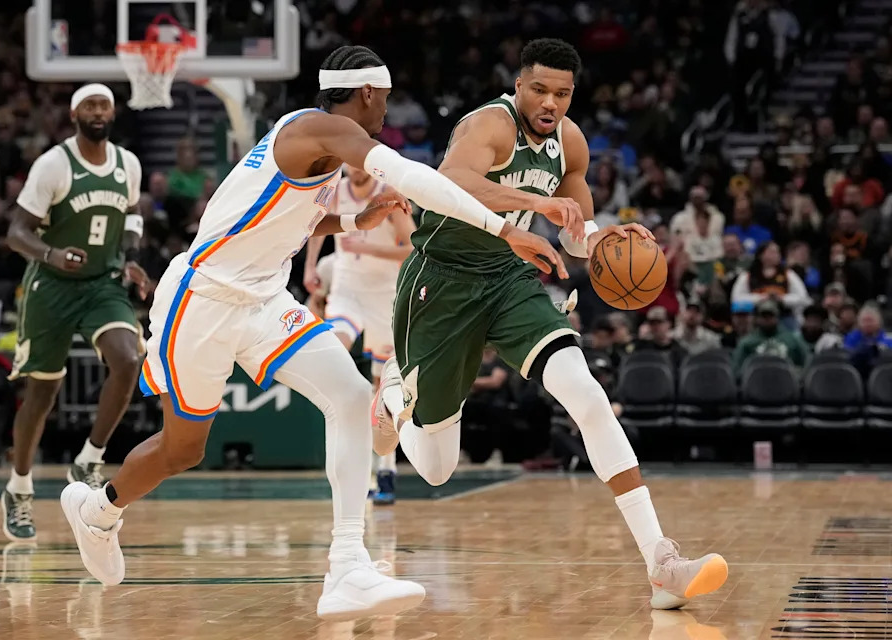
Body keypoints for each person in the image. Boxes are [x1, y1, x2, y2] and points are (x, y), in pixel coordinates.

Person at [59, 45, 563, 621]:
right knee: (184, 449)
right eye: (386, 103)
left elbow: (295, 212)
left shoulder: (314, 140)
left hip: (265, 298)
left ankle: (347, 566)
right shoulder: (320, 129)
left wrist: (353, 219)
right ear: (370, 94)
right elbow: (413, 177)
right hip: (202, 300)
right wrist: (505, 227)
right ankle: (99, 510)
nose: (387, 117)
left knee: (350, 396)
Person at [373, 38, 728, 610]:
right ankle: (394, 397)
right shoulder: (489, 126)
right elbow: (452, 180)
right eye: (539, 88)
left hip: (509, 278)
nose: (550, 101)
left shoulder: (570, 143)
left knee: (586, 393)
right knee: (437, 470)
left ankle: (661, 562)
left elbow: (574, 226)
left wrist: (603, 238)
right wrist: (534, 206)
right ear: (519, 85)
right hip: (439, 282)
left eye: (561, 93)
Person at [3, 84, 150, 542]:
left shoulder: (128, 163)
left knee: (128, 358)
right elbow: (16, 232)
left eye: (104, 105)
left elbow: (131, 217)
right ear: (74, 114)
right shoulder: (53, 164)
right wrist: (50, 254)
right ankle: (19, 488)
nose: (98, 112)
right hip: (51, 288)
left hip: (102, 285)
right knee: (42, 395)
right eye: (90, 105)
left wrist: (129, 256)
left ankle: (89, 457)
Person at [303, 165, 417, 505]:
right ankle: (352, 463)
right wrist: (310, 267)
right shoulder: (335, 189)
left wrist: (368, 249)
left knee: (385, 388)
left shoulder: (390, 193)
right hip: (347, 289)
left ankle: (387, 469)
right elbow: (316, 226)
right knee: (336, 357)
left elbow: (413, 248)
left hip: (384, 293)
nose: (352, 168)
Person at [732, 299, 808, 376]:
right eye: (764, 316)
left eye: (770, 316)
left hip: (786, 383)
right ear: (757, 318)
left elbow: (806, 364)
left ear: (777, 317)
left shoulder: (793, 339)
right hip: (757, 383)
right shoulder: (747, 342)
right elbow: (737, 369)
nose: (767, 319)